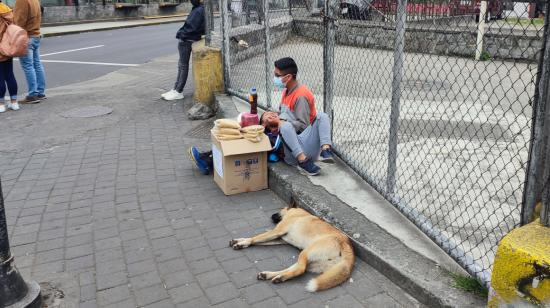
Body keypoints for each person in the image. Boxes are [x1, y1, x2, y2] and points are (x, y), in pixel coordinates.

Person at [271, 57, 334, 175]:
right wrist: (277, 118)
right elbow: (284, 113)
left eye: (277, 75)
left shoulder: (301, 95)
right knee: (284, 125)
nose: (275, 78)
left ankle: (325, 149)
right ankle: (303, 160)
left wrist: (281, 122)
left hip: (301, 144)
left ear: (288, 77)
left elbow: (303, 126)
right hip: (294, 150)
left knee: (322, 116)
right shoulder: (286, 90)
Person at [161, 0, 205, 101]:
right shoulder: (200, 9)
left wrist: (181, 34)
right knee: (181, 65)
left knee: (183, 66)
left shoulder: (199, 10)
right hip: (188, 39)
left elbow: (191, 27)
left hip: (187, 40)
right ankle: (176, 89)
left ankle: (178, 91)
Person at [14, 0, 45, 104]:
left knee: (28, 66)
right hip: (35, 34)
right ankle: (40, 92)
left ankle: (32, 95)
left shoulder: (22, 0)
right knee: (37, 64)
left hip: (26, 36)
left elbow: (19, 20)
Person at [0, 1, 19, 113]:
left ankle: (1, 104)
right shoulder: (7, 9)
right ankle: (14, 102)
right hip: (8, 46)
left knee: (0, 76)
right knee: (9, 74)